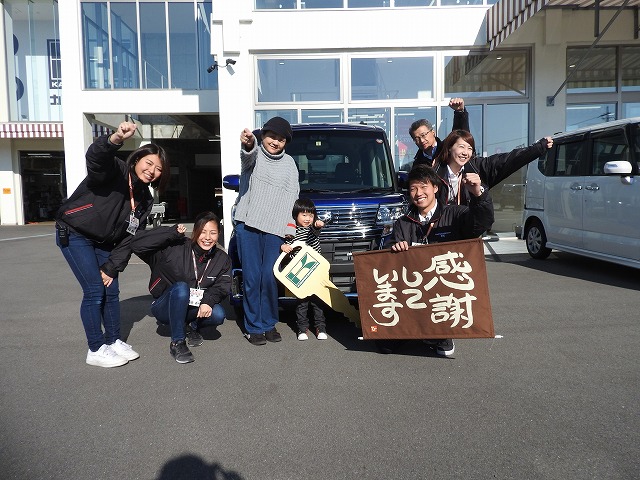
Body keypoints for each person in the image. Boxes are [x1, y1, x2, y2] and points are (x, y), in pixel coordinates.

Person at [55, 121, 170, 368]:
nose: (152, 171)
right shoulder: (116, 170)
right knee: (94, 290)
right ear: (137, 159)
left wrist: (111, 266)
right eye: (148, 163)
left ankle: (114, 340)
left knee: (112, 290)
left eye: (158, 169)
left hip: (105, 243)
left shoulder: (145, 198)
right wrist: (115, 138)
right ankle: (96, 349)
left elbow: (131, 237)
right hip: (75, 233)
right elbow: (96, 158)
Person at [379, 164, 494, 356]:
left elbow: (481, 223)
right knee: (384, 345)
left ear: (435, 188)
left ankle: (442, 332)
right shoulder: (403, 222)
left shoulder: (455, 214)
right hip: (412, 287)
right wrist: (395, 247)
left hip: (444, 289)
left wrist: (478, 195)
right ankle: (404, 329)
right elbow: (387, 258)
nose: (419, 193)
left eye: (424, 187)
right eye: (413, 189)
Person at [130, 212, 231, 364]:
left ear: (219, 234)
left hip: (193, 305)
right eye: (203, 232)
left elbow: (223, 285)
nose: (207, 237)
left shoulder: (222, 258)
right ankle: (177, 342)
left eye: (213, 233)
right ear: (195, 231)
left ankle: (191, 326)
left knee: (218, 314)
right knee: (181, 288)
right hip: (165, 306)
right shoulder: (176, 246)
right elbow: (137, 244)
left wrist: (208, 301)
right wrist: (170, 232)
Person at [235, 116, 300, 345]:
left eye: (281, 139)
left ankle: (269, 323)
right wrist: (248, 145)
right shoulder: (254, 155)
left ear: (286, 143)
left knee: (270, 277)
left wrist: (289, 227)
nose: (275, 142)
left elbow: (293, 196)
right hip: (248, 224)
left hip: (275, 228)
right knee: (252, 278)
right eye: (271, 136)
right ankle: (254, 326)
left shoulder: (290, 164)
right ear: (263, 136)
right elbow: (247, 157)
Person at [433, 129, 553, 209]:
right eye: (461, 147)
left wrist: (538, 148)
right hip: (439, 233)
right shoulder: (434, 173)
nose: (465, 152)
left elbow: (509, 159)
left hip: (467, 233)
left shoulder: (478, 168)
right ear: (449, 148)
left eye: (469, 148)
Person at [281, 198, 327, 341]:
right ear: (296, 215)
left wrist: (318, 224)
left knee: (318, 300)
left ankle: (320, 328)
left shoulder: (312, 229)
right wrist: (283, 246)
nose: (308, 219)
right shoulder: (291, 230)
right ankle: (302, 329)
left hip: (315, 269)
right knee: (302, 301)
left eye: (311, 215)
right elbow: (286, 243)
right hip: (299, 271)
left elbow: (316, 229)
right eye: (304, 215)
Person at [399, 98, 469, 172]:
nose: (421, 140)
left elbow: (460, 134)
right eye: (417, 138)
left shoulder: (446, 148)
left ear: (433, 132)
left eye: (423, 135)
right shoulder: (418, 164)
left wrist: (459, 112)